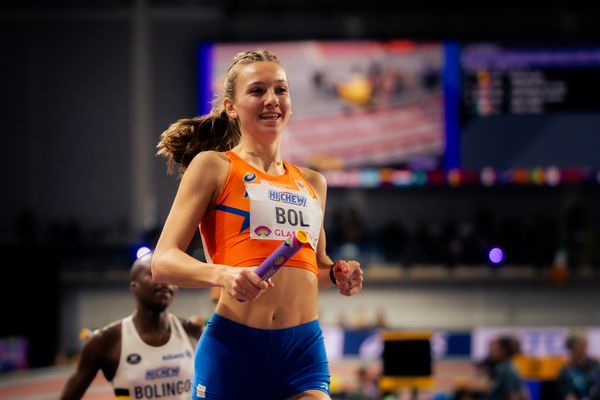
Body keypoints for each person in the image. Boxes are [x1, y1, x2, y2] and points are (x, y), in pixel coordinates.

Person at [152, 49, 364, 400]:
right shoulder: (213, 167)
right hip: (235, 348)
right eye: (257, 91)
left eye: (280, 90)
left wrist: (339, 275)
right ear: (231, 106)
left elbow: (317, 268)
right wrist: (223, 275)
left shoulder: (313, 183)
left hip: (302, 350)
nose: (271, 100)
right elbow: (162, 263)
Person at [60, 253, 202, 400]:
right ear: (134, 286)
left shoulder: (193, 332)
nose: (164, 282)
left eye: (169, 276)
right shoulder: (105, 342)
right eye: (154, 275)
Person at [557, 335, 600, 400]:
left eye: (585, 346)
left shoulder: (594, 366)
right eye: (580, 346)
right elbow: (569, 396)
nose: (584, 349)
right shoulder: (567, 372)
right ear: (572, 349)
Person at [487, 336, 527, 400]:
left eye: (494, 350)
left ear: (503, 352)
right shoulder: (511, 365)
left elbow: (513, 395)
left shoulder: (504, 370)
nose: (490, 352)